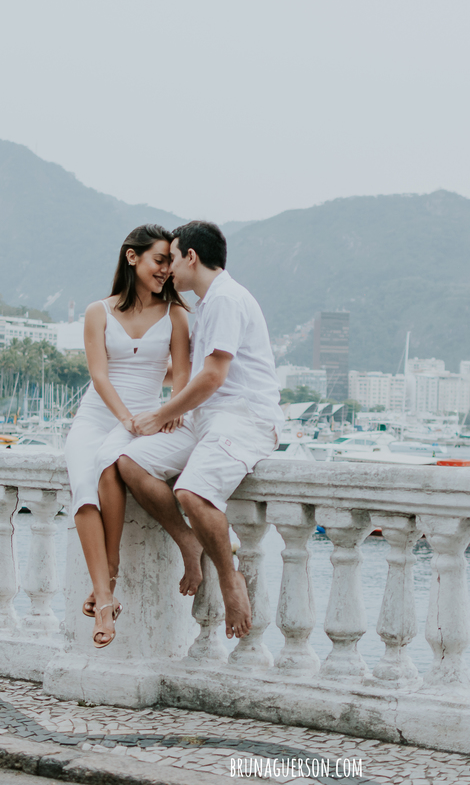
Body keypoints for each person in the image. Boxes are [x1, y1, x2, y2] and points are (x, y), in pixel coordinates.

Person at [115, 220, 284, 640]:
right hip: (206, 417)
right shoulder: (207, 305)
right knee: (131, 462)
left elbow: (212, 377)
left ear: (191, 257)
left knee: (191, 492)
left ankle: (229, 579)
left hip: (244, 417)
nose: (168, 268)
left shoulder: (226, 298)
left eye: (172, 258)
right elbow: (186, 372)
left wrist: (160, 415)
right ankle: (188, 541)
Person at [62, 224, 191, 648]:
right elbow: (99, 375)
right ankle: (105, 598)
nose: (166, 269)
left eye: (170, 262)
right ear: (132, 257)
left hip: (144, 418)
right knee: (84, 489)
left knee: (108, 469)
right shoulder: (98, 311)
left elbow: (182, 376)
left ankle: (109, 576)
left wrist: (169, 412)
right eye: (159, 260)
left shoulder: (176, 315)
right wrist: (125, 418)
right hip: (98, 415)